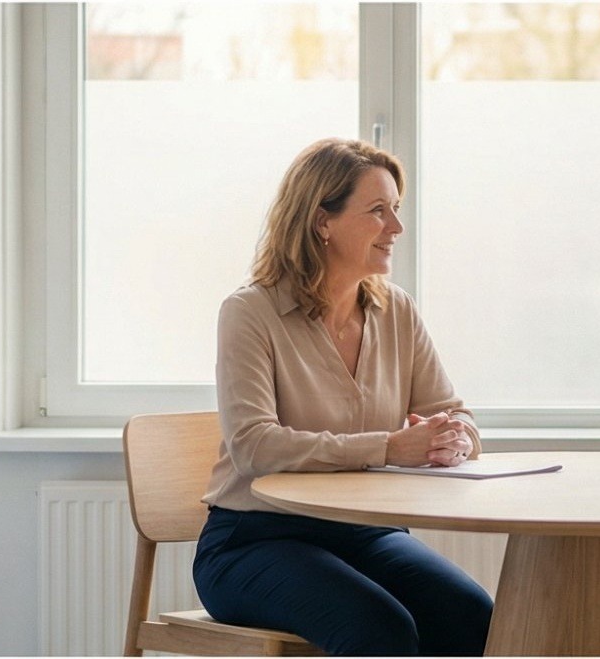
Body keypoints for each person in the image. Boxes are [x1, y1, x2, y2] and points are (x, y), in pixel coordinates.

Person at [194, 138, 493, 656]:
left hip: (364, 531)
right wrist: (389, 448)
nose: (396, 227)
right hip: (255, 539)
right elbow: (254, 446)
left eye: (396, 209)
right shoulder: (250, 312)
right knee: (379, 629)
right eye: (378, 211)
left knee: (473, 616)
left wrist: (455, 439)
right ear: (322, 221)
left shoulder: (397, 310)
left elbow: (452, 412)